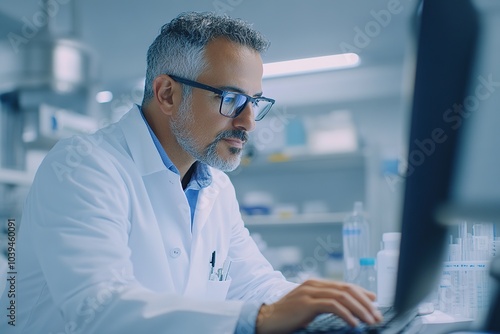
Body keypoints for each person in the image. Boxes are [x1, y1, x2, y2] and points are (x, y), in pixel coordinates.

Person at [0, 12, 382, 334]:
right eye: (231, 99)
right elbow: (98, 308)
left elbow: (253, 284)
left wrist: (339, 312)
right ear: (167, 94)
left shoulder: (216, 186)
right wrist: (261, 318)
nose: (249, 122)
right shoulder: (85, 166)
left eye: (254, 102)